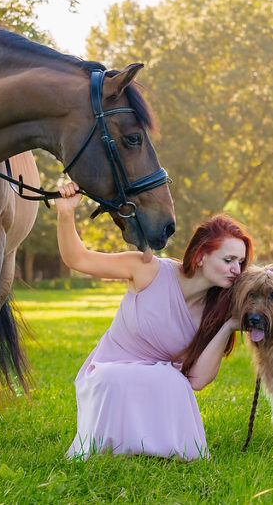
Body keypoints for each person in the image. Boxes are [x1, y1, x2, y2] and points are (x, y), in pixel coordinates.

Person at [55, 181, 253, 461]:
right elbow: (78, 259)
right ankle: (114, 449)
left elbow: (196, 380)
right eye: (229, 259)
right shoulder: (147, 269)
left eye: (241, 263)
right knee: (116, 378)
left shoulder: (217, 310)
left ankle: (160, 449)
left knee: (172, 380)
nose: (237, 270)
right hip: (110, 371)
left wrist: (229, 326)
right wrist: (65, 213)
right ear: (200, 256)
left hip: (162, 385)